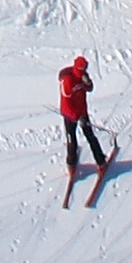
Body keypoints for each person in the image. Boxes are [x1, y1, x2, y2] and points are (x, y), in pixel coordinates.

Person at [58, 53, 111, 184]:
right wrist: (75, 117)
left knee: (91, 137)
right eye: (83, 69)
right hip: (70, 114)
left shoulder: (83, 76)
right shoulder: (68, 80)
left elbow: (89, 89)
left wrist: (88, 83)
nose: (84, 72)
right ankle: (71, 164)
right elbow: (66, 103)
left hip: (82, 112)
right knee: (72, 140)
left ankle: (101, 161)